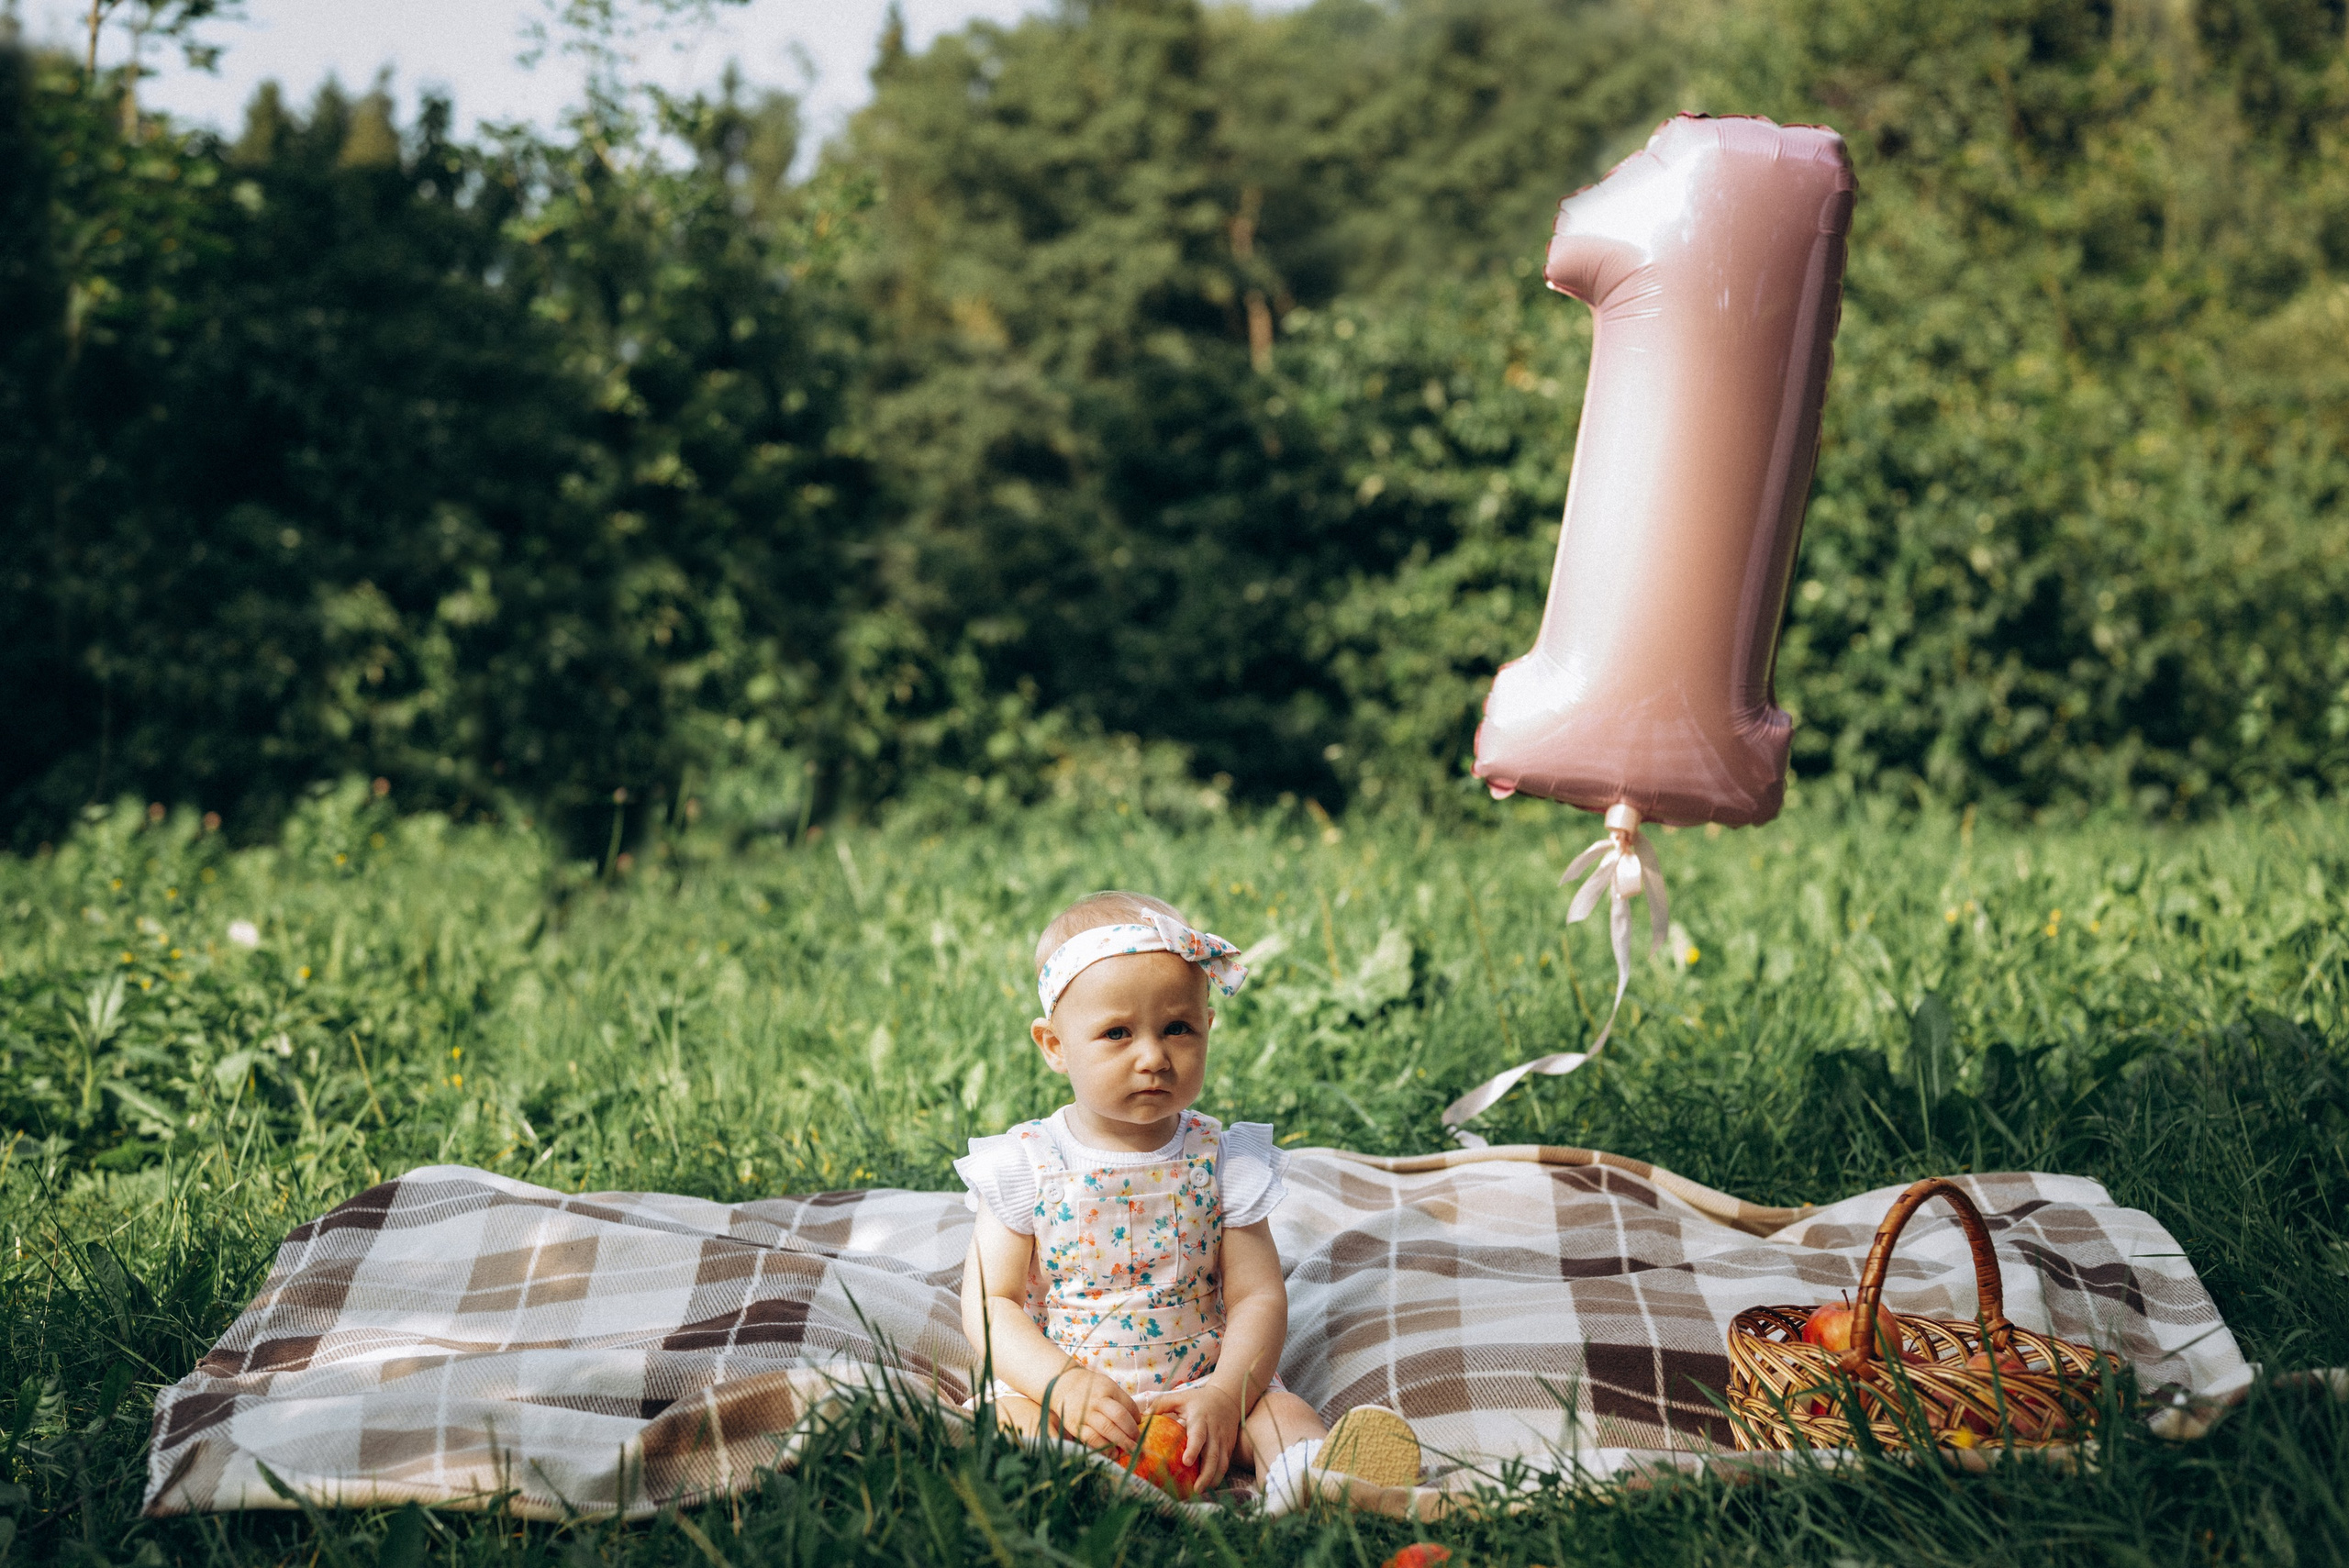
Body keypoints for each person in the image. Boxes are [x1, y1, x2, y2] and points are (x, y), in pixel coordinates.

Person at [956, 891, 1420, 1502]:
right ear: (1054, 1045)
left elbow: (1257, 1294)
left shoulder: (1222, 1159)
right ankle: (1077, 1479)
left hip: (1202, 1388)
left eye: (1177, 1027)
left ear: (1207, 1025)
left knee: (1285, 1418)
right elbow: (992, 1302)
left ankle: (1315, 1481)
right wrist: (1060, 1384)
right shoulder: (1026, 1164)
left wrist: (1229, 1391)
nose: (1153, 1056)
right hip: (1076, 1395)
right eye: (1117, 1033)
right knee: (996, 1422)